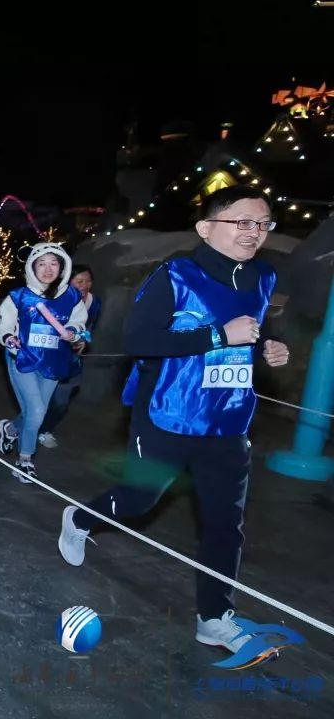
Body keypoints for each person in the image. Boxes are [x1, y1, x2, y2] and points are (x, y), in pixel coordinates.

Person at [58, 185, 289, 654]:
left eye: (262, 223)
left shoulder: (263, 277)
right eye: (241, 222)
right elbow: (140, 339)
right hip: (167, 413)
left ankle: (214, 617)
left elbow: (255, 335)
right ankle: (80, 517)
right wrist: (217, 334)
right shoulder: (175, 275)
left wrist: (270, 349)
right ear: (206, 229)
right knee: (139, 501)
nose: (253, 232)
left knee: (226, 521)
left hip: (229, 418)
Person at [0, 243, 87, 482]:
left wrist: (73, 332)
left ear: (62, 266)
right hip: (23, 359)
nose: (48, 269)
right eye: (42, 264)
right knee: (36, 410)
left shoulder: (72, 296)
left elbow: (79, 322)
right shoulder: (19, 296)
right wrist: (8, 337)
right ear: (32, 267)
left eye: (54, 263)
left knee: (37, 412)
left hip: (54, 362)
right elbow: (1, 325)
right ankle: (25, 460)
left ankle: (11, 429)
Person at [37, 264, 102, 448]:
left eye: (88, 281)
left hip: (72, 360)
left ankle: (44, 430)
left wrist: (83, 340)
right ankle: (21, 428)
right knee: (39, 400)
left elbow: (89, 327)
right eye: (79, 281)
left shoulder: (94, 302)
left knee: (61, 401)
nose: (84, 285)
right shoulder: (55, 298)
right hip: (48, 356)